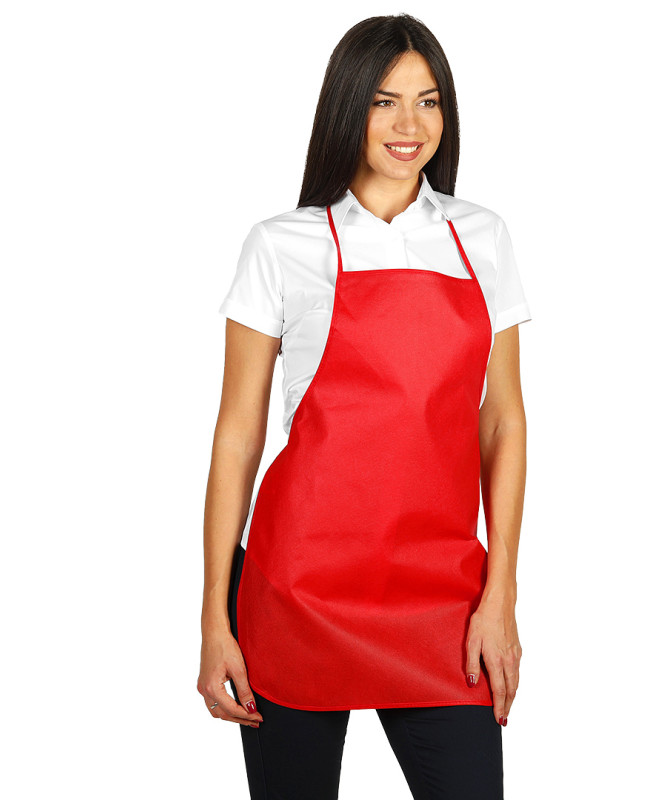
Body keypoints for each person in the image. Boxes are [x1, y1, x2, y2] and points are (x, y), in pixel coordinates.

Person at [198, 13, 531, 800]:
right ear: (349, 108)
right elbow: (238, 436)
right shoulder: (282, 244)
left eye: (428, 100)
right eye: (385, 101)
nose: (409, 124)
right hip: (297, 591)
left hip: (441, 600)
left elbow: (503, 420)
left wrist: (501, 595)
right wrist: (215, 616)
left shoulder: (481, 237)